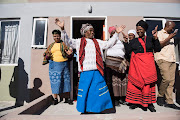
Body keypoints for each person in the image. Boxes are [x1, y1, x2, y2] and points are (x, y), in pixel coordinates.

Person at [55, 18, 125, 113]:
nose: (93, 32)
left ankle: (98, 109)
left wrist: (116, 33)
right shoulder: (79, 42)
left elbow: (109, 44)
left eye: (93, 30)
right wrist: (63, 29)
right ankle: (86, 109)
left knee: (97, 92)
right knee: (86, 92)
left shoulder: (98, 42)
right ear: (84, 32)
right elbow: (67, 41)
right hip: (85, 72)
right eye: (90, 31)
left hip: (97, 71)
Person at [124, 20, 161, 112]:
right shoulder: (133, 41)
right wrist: (126, 42)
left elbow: (157, 49)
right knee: (136, 84)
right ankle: (135, 102)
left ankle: (149, 103)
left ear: (144, 30)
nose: (138, 31)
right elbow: (127, 52)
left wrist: (156, 38)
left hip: (149, 66)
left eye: (140, 29)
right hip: (137, 66)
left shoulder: (150, 39)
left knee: (148, 85)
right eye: (137, 30)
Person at [42, 29, 73, 105]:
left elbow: (70, 54)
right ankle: (55, 99)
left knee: (66, 81)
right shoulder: (51, 46)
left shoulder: (64, 44)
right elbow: (45, 55)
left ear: (60, 36)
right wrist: (47, 56)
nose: (56, 38)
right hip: (54, 66)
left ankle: (67, 98)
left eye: (58, 36)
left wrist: (70, 54)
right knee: (55, 82)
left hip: (64, 65)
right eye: (55, 36)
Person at [154, 21, 180, 109]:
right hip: (162, 59)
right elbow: (159, 45)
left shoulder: (171, 35)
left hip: (172, 60)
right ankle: (160, 95)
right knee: (166, 79)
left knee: (171, 82)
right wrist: (169, 37)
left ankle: (169, 101)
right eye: (172, 27)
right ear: (167, 26)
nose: (172, 29)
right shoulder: (160, 33)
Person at [105, 26, 130, 106]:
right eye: (112, 32)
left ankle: (122, 98)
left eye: (115, 31)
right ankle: (115, 99)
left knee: (122, 80)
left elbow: (126, 50)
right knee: (114, 81)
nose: (114, 33)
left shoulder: (121, 41)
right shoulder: (108, 41)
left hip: (121, 63)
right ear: (110, 33)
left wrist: (126, 41)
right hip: (111, 64)